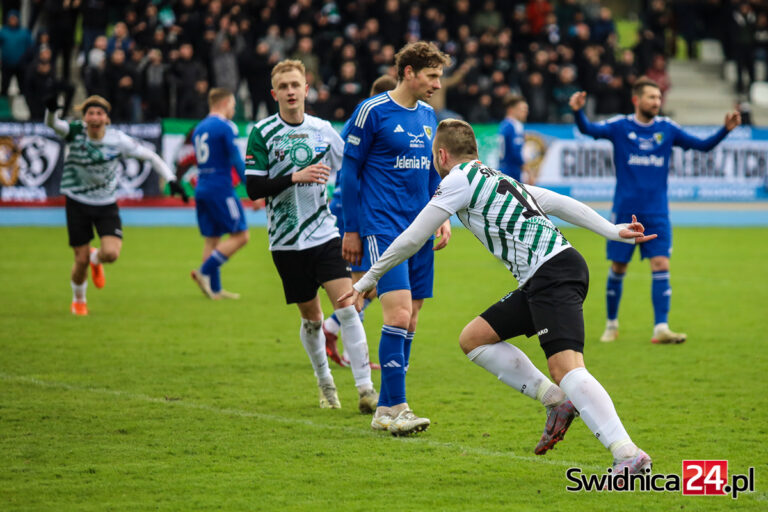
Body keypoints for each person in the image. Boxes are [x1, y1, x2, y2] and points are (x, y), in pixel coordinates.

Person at [341, 118, 655, 473]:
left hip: (551, 273)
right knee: (474, 339)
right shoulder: (496, 176)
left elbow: (413, 238)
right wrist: (611, 230)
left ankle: (627, 453)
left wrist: (367, 279)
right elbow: (557, 201)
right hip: (549, 273)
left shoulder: (457, 180)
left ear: (441, 155)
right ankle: (555, 400)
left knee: (566, 366)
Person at [244, 59, 378, 414]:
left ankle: (366, 390)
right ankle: (326, 384)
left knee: (347, 307)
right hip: (286, 243)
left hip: (324, 235)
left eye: (295, 85)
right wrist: (294, 176)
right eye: (283, 86)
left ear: (307, 89)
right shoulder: (261, 133)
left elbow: (350, 167)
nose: (290, 91)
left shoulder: (323, 130)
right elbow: (253, 187)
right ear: (274, 93)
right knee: (313, 320)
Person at [569, 78, 741, 344]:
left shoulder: (667, 129)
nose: (657, 102)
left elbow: (702, 146)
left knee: (661, 264)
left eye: (659, 98)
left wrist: (725, 130)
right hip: (625, 212)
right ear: (636, 100)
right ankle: (611, 324)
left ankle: (661, 327)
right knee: (619, 266)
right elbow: (589, 129)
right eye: (651, 97)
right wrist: (578, 111)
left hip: (657, 212)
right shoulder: (619, 126)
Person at [340, 42, 452, 435]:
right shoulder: (371, 112)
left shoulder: (427, 115)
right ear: (409, 72)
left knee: (413, 318)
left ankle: (385, 408)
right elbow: (349, 174)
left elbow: (431, 173)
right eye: (432, 76)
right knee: (399, 314)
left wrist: (442, 215)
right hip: (382, 227)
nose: (438, 84)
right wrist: (352, 229)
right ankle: (399, 406)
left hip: (420, 226)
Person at [44, 95, 186, 315]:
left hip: (106, 203)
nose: (95, 117)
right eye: (90, 113)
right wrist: (51, 110)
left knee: (111, 254)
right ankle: (79, 300)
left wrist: (171, 180)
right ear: (85, 118)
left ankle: (95, 258)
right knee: (78, 260)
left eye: (99, 113)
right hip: (77, 202)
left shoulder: (118, 140)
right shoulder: (74, 132)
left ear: (106, 118)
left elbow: (151, 157)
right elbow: (52, 124)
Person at [323, 74, 397, 369]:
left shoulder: (361, 119)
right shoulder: (370, 119)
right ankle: (346, 347)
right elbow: (351, 173)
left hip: (359, 210)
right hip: (355, 213)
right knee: (362, 282)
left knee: (372, 283)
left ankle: (331, 330)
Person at [189, 88, 249, 300]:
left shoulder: (199, 128)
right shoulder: (225, 127)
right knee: (241, 236)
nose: (233, 109)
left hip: (202, 186)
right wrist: (250, 188)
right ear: (224, 103)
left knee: (212, 239)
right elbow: (236, 159)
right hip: (220, 187)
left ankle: (214, 289)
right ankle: (204, 271)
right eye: (233, 105)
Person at [498, 94, 529, 183]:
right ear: (511, 110)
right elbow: (515, 152)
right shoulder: (515, 125)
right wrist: (527, 169)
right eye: (523, 110)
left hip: (503, 168)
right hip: (512, 170)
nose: (526, 113)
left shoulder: (504, 124)